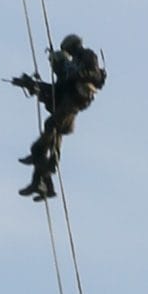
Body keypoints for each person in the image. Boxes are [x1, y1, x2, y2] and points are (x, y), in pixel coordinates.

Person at [13, 33, 107, 200]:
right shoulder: (66, 76)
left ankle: (42, 172)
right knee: (48, 143)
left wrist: (75, 74)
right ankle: (43, 184)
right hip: (69, 105)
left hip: (75, 103)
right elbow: (54, 92)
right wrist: (31, 85)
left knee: (47, 135)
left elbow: (93, 75)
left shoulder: (86, 56)